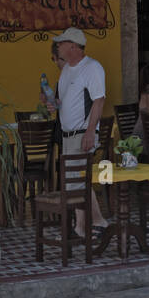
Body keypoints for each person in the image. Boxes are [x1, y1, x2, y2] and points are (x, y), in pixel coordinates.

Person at [54, 27, 109, 236]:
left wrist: (89, 132)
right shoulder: (67, 69)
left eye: (61, 43)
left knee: (76, 180)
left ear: (73, 46)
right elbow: (66, 101)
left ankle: (80, 227)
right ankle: (98, 221)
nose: (58, 46)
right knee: (78, 179)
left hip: (81, 133)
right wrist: (54, 105)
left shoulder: (92, 68)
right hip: (68, 134)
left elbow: (99, 100)